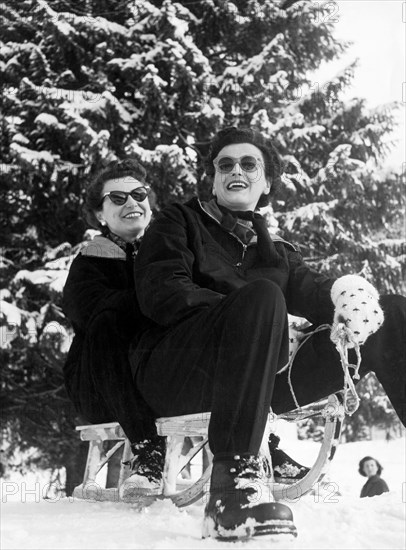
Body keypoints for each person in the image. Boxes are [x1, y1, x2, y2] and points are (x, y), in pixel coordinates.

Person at [130, 127, 406, 540]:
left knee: (393, 312)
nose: (235, 170)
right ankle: (232, 489)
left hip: (261, 382)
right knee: (262, 297)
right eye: (225, 164)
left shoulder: (275, 250)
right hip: (181, 372)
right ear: (213, 177)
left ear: (267, 181)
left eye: (248, 163)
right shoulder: (178, 221)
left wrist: (346, 296)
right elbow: (162, 292)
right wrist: (257, 317)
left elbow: (312, 289)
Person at [63, 159, 165, 498]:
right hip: (100, 384)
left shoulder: (170, 254)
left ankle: (258, 443)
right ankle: (147, 449)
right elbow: (90, 314)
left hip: (156, 374)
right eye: (117, 198)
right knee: (108, 320)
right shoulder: (91, 260)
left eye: (138, 194)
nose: (132, 203)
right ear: (100, 214)